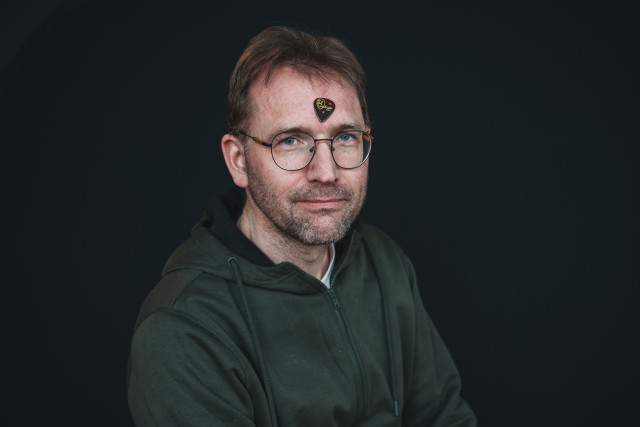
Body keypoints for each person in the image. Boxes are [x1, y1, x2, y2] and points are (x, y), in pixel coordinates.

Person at [127, 26, 477, 426]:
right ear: (239, 160)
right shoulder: (183, 330)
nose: (326, 172)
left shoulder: (383, 261)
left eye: (345, 137)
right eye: (291, 141)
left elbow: (444, 417)